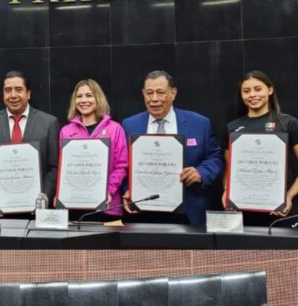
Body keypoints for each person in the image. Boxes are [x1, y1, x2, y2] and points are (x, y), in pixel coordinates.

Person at [121, 70, 224, 225]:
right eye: (149, 93)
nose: (154, 99)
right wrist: (128, 189)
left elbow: (215, 158)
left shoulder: (199, 123)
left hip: (188, 210)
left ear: (173, 93)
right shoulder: (129, 125)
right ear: (143, 94)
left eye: (160, 92)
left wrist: (200, 172)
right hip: (142, 210)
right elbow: (121, 164)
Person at [0, 70, 60, 217]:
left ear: (29, 94)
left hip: (38, 208)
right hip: (1, 208)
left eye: (19, 90)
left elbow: (54, 167)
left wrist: (45, 196)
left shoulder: (49, 123)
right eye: (8, 90)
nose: (13, 95)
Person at [223, 70, 298, 224]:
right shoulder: (233, 127)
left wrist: (288, 196)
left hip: (280, 210)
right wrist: (226, 192)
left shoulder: (288, 123)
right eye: (246, 91)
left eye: (258, 89)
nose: (252, 95)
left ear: (270, 90)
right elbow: (228, 168)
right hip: (243, 209)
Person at [58, 79, 127, 220]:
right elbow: (63, 170)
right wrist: (60, 194)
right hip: (74, 206)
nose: (84, 100)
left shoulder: (115, 129)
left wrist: (107, 191)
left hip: (107, 207)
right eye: (79, 96)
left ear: (98, 98)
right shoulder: (66, 131)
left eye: (89, 95)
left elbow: (121, 166)